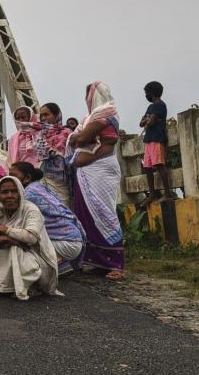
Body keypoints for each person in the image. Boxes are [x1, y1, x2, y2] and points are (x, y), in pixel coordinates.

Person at [67, 81, 124, 280]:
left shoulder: (104, 114)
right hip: (88, 172)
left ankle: (115, 263)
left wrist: (78, 137)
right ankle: (98, 261)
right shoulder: (98, 116)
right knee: (87, 214)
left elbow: (80, 140)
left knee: (104, 212)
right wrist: (79, 135)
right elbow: (80, 137)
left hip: (100, 170)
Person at [0, 176, 60, 301]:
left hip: (37, 257)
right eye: (4, 192)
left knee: (15, 250)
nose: (9, 196)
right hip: (17, 249)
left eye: (14, 191)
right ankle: (0, 285)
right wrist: (3, 239)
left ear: (21, 193)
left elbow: (31, 238)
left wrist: (7, 230)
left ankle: (29, 286)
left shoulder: (31, 210)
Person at [10, 162, 85, 273]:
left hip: (65, 242)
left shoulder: (28, 194)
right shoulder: (38, 187)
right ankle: (61, 264)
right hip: (73, 240)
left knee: (18, 244)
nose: (9, 179)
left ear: (27, 178)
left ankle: (52, 264)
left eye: (13, 176)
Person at [35, 103, 73, 207]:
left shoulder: (67, 132)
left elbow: (71, 154)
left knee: (63, 207)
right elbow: (41, 155)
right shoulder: (40, 134)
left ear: (56, 115)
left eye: (46, 114)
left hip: (63, 178)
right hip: (45, 175)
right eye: (41, 115)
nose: (43, 118)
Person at [140, 81, 171, 202]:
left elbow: (150, 122)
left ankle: (167, 193)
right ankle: (152, 194)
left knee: (159, 165)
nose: (146, 95)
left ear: (151, 93)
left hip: (157, 138)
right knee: (147, 167)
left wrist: (147, 120)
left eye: (147, 92)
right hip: (148, 139)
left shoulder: (160, 105)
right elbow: (141, 123)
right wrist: (147, 120)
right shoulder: (150, 107)